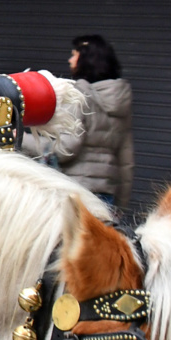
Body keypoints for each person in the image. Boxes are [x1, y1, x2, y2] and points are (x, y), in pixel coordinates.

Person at [51, 33, 134, 211]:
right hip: (106, 195)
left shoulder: (78, 94)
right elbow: (126, 159)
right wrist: (120, 206)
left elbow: (66, 148)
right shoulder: (121, 100)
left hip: (76, 191)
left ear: (86, 59)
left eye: (74, 55)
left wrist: (23, 140)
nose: (69, 60)